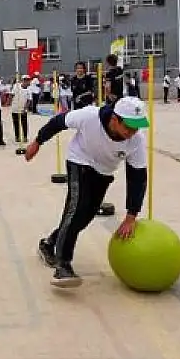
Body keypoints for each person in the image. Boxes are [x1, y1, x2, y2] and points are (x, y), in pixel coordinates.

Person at [25, 96, 148, 288]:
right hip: (79, 160)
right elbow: (58, 122)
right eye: (129, 127)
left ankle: (49, 244)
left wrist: (131, 215)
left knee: (85, 216)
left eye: (137, 127)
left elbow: (138, 177)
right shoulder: (89, 116)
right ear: (115, 119)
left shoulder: (136, 140)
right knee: (76, 208)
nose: (133, 132)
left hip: (104, 172)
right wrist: (37, 142)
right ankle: (63, 266)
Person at [10, 75, 32, 145]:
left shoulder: (29, 89)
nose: (27, 82)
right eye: (25, 80)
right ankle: (17, 136)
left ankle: (25, 136)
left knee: (24, 123)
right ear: (22, 80)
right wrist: (9, 102)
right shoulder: (16, 86)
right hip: (15, 108)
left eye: (28, 80)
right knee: (16, 124)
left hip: (23, 109)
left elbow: (29, 100)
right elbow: (12, 95)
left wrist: (25, 109)